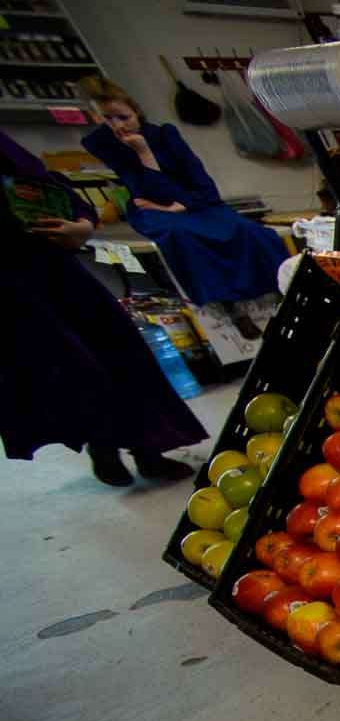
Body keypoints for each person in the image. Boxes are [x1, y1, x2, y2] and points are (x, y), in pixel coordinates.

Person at [0, 131, 200, 485]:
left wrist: (80, 225)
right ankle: (104, 442)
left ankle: (150, 448)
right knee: (70, 370)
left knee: (121, 356)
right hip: (12, 290)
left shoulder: (6, 149)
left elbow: (53, 188)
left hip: (57, 270)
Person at [78, 76, 286, 322]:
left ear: (135, 111)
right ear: (97, 118)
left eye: (123, 117)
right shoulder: (103, 143)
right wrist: (143, 153)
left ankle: (276, 293)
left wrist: (184, 203)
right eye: (107, 118)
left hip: (195, 201)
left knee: (250, 231)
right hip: (155, 210)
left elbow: (199, 179)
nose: (118, 125)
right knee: (182, 237)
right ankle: (227, 307)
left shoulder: (165, 135)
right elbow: (143, 187)